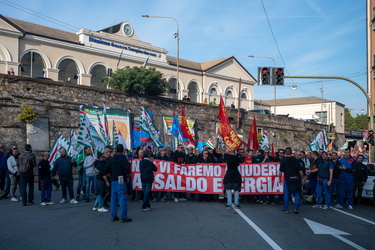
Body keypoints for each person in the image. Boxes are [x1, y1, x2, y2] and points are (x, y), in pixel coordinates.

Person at [107, 144, 132, 223]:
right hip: (121, 180)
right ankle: (123, 217)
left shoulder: (112, 159)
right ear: (123, 150)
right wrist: (128, 177)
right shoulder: (123, 158)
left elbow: (106, 169)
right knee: (122, 198)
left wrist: (110, 175)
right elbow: (127, 170)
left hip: (113, 180)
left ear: (116, 150)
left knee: (113, 199)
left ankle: (113, 216)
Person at [279, 147, 304, 214]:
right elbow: (300, 171)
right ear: (291, 152)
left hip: (288, 178)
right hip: (296, 178)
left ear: (285, 153)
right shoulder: (296, 160)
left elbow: (281, 171)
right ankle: (296, 208)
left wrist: (279, 178)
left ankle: (286, 209)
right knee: (296, 194)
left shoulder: (283, 161)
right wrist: (302, 178)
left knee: (286, 194)